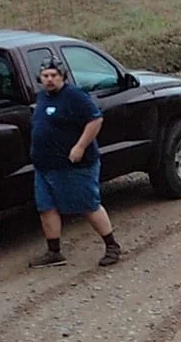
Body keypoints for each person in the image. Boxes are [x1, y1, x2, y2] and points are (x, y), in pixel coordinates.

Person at [28, 62, 121, 268]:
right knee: (46, 208)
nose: (49, 79)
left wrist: (79, 147)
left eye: (54, 75)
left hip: (74, 166)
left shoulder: (75, 96)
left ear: (63, 77)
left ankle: (112, 246)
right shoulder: (43, 97)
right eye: (45, 75)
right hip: (44, 165)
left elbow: (95, 120)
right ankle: (54, 252)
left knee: (88, 205)